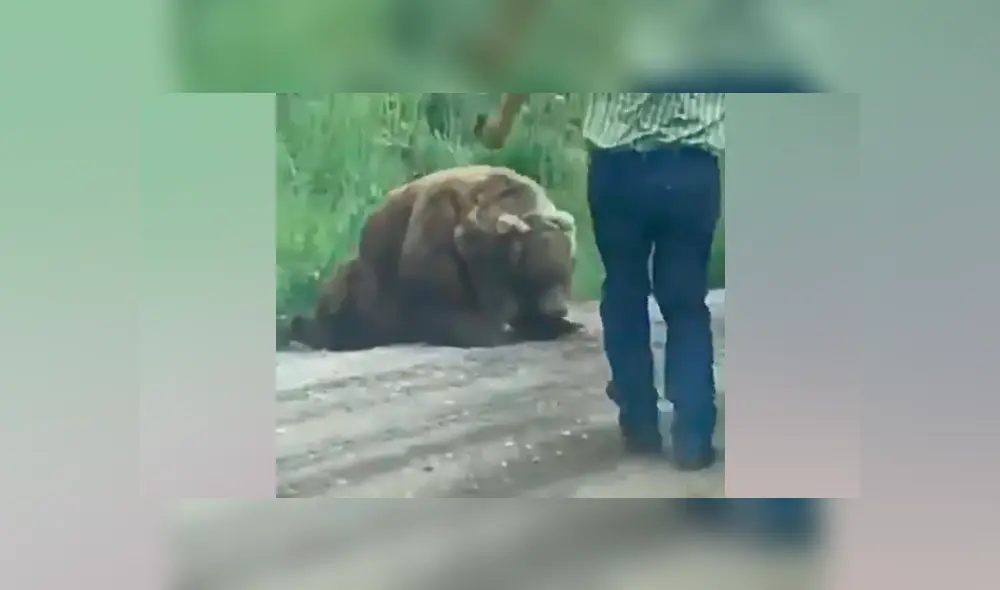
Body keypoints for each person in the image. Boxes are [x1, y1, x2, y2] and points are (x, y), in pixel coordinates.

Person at [479, 94, 723, 470]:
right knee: (685, 301)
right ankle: (693, 435)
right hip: (691, 170)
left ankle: (639, 422)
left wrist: (501, 121)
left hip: (619, 170)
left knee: (625, 290)